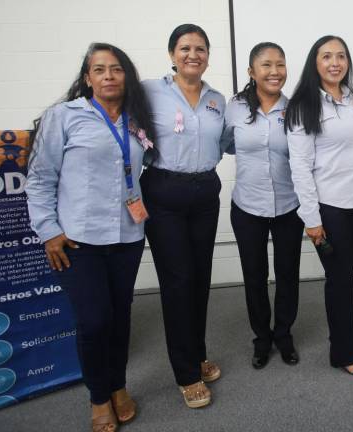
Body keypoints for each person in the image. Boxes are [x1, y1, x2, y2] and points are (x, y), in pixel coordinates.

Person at [26, 42, 154, 432]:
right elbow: (40, 178)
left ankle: (118, 386)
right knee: (95, 321)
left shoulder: (136, 121)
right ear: (87, 78)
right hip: (78, 240)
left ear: (126, 75)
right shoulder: (64, 116)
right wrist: (49, 231)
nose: (109, 76)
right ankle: (99, 398)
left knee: (119, 316)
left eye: (116, 69)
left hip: (127, 236)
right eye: (99, 70)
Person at [140, 24, 229, 408]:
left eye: (200, 49)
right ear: (172, 53)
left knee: (199, 278)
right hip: (163, 192)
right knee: (177, 281)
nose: (193, 55)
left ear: (208, 55)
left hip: (205, 191)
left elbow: (225, 141)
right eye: (185, 48)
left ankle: (196, 353)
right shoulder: (148, 92)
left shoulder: (217, 99)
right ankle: (186, 373)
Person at [286, 35, 353, 377]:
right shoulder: (303, 105)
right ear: (315, 62)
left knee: (344, 275)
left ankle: (343, 343)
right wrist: (311, 219)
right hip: (330, 207)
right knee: (339, 279)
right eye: (327, 56)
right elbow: (300, 166)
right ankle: (344, 352)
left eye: (341, 56)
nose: (335, 62)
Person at [222, 42, 303, 370]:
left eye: (280, 65)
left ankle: (283, 334)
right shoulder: (234, 108)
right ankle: (261, 338)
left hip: (288, 206)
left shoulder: (296, 107)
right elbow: (226, 144)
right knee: (254, 276)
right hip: (248, 206)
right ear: (251, 72)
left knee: (287, 275)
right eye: (266, 65)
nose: (274, 72)